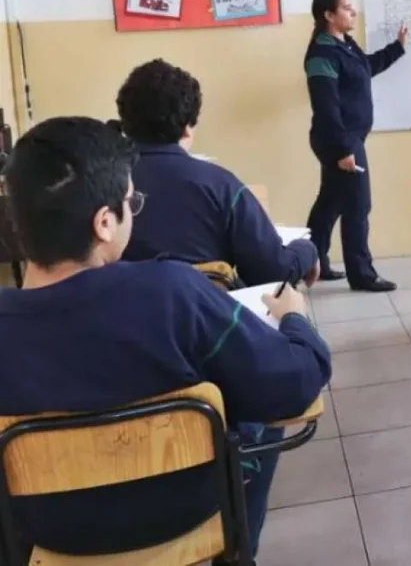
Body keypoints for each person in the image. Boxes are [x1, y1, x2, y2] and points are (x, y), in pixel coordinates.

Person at [0, 117, 332, 561]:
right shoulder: (170, 293)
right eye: (131, 202)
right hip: (183, 515)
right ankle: (241, 552)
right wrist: (294, 319)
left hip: (47, 535)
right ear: (104, 223)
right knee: (254, 406)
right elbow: (295, 384)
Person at [119, 59, 319, 288]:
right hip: (203, 309)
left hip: (113, 309)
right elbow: (272, 272)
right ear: (188, 127)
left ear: (126, 123)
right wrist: (306, 250)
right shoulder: (221, 186)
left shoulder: (98, 185)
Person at [304, 0, 407, 291]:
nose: (353, 12)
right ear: (328, 15)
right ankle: (362, 274)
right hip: (340, 140)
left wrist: (397, 48)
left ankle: (313, 263)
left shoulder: (345, 45)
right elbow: (326, 106)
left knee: (330, 202)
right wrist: (343, 149)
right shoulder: (321, 54)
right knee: (358, 206)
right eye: (346, 8)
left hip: (346, 139)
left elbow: (366, 68)